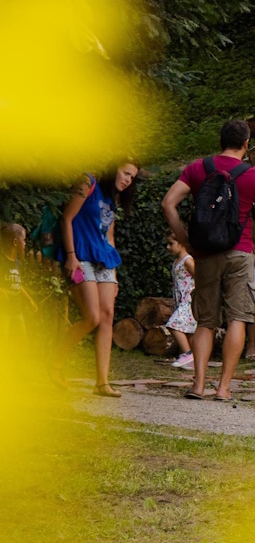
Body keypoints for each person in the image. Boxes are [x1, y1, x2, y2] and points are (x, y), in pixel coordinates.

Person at [162, 119, 255, 402]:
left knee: (206, 320)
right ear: (246, 143)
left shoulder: (198, 168)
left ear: (220, 140)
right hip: (240, 253)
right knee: (238, 318)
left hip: (205, 253)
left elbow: (168, 203)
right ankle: (223, 387)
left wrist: (183, 237)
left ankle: (198, 385)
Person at [50, 161, 140, 397]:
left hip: (104, 260)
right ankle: (54, 361)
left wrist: (115, 275)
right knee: (92, 316)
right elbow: (66, 219)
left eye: (132, 177)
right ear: (114, 168)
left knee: (107, 316)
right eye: (126, 173)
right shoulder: (88, 181)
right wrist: (70, 256)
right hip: (80, 256)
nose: (129, 179)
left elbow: (109, 236)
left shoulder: (113, 198)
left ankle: (102, 382)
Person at [0, 224, 37, 346]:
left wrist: (30, 300)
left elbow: (17, 284)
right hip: (4, 311)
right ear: (15, 242)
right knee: (3, 340)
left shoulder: (17, 263)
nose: (25, 244)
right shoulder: (2, 262)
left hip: (17, 310)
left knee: (22, 341)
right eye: (24, 240)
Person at [166, 232, 197, 370]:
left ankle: (188, 354)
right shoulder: (176, 261)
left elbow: (200, 277)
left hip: (189, 302)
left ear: (182, 244)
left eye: (171, 244)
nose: (168, 247)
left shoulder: (188, 261)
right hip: (180, 302)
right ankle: (192, 360)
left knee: (173, 324)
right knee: (188, 332)